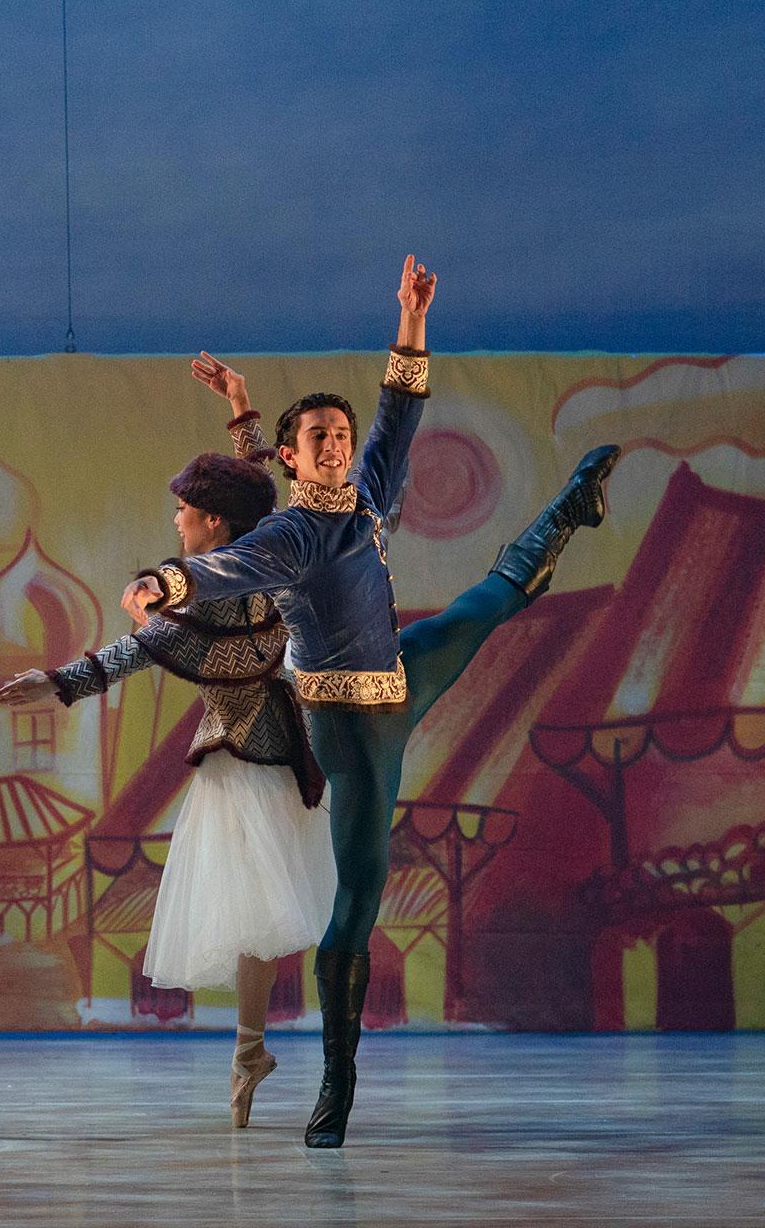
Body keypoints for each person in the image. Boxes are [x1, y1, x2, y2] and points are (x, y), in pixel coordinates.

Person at [125, 257, 621, 1147]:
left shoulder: (365, 502)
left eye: (338, 434)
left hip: (403, 672)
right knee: (358, 899)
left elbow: (399, 416)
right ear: (291, 453)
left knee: (485, 602)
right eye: (315, 435)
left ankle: (568, 507)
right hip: (350, 730)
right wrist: (166, 580)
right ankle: (336, 1085)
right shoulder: (287, 532)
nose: (333, 444)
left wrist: (411, 317)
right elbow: (225, 562)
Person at [0, 413, 330, 1128]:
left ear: (212, 521)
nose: (176, 522)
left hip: (262, 757)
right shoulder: (236, 571)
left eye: (185, 512)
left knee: (260, 915)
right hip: (252, 757)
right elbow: (256, 500)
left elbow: (140, 647)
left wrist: (58, 682)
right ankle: (249, 1051)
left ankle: (251, 1052)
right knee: (253, 918)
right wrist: (242, 415)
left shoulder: (227, 585)